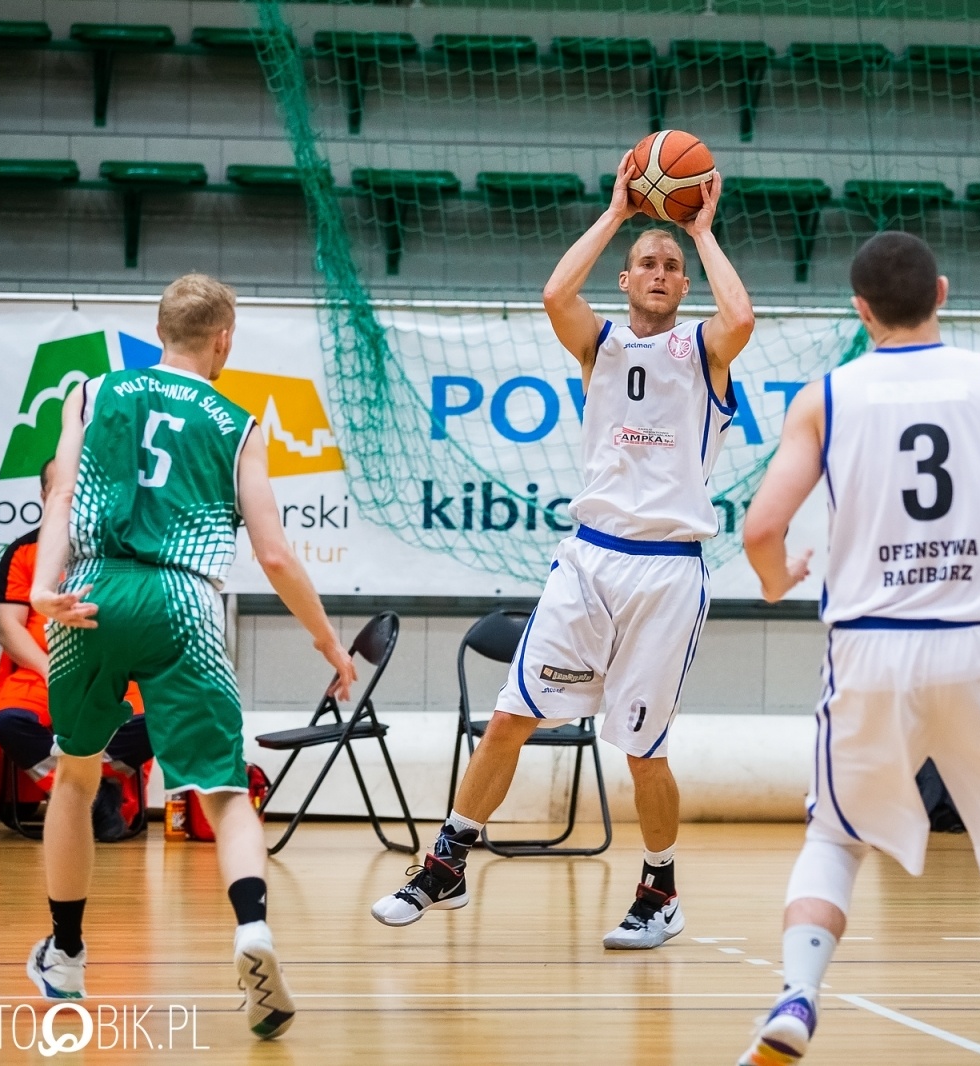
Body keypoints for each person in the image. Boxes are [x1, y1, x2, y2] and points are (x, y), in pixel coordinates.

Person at [371, 151, 754, 949]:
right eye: (646, 263)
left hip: (667, 570)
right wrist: (617, 213)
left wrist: (700, 233)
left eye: (670, 267)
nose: (658, 272)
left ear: (685, 286)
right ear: (625, 278)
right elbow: (554, 294)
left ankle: (660, 891)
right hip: (587, 560)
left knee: (643, 751)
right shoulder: (599, 344)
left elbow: (742, 319)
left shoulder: (703, 351)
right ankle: (446, 862)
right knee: (512, 716)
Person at [736, 231, 980, 1066]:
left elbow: (760, 530)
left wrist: (775, 577)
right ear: (942, 291)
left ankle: (797, 996)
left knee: (836, 838)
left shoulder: (826, 397)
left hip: (868, 652)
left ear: (861, 311)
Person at [28, 274, 356, 1041]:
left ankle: (67, 955)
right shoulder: (240, 425)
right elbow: (275, 555)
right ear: (224, 339)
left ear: (158, 331)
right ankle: (253, 930)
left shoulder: (93, 391)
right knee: (224, 791)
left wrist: (43, 587)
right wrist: (326, 641)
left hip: (91, 591)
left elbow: (60, 495)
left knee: (75, 776)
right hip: (184, 601)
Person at [0, 458, 152, 841]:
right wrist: (53, 670)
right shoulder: (23, 552)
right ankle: (95, 795)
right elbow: (8, 629)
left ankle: (81, 789)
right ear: (44, 495)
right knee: (7, 722)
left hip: (114, 672)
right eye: (62, 490)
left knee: (160, 720)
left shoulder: (123, 550)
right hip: (42, 672)